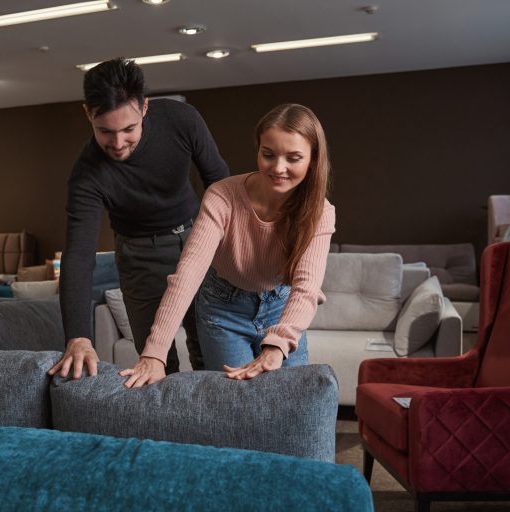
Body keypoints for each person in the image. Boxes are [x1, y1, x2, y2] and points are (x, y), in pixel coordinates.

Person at [120, 103, 335, 388]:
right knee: (234, 405)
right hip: (223, 309)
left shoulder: (320, 211)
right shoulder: (222, 197)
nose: (279, 168)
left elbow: (306, 287)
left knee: (290, 401)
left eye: (294, 158)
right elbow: (188, 275)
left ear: (313, 159)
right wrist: (155, 352)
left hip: (281, 307)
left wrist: (278, 344)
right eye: (268, 155)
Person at [48, 58, 229, 380]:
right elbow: (79, 254)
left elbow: (220, 183)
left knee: (209, 352)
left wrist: (230, 247)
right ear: (88, 114)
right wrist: (77, 336)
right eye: (105, 131)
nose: (117, 144)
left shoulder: (181, 119)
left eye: (128, 129)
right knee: (155, 363)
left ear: (144, 108)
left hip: (198, 240)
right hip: (138, 257)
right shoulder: (86, 176)